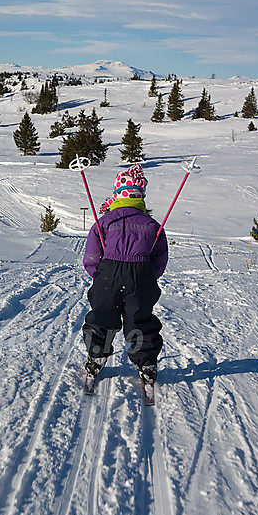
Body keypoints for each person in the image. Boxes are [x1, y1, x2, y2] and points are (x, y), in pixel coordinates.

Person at [82, 164, 168, 386]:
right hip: (141, 277)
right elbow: (159, 259)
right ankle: (146, 363)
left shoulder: (105, 221)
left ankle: (96, 357)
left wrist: (99, 276)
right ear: (141, 197)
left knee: (102, 316)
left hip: (107, 276)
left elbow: (91, 256)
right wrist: (148, 278)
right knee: (139, 319)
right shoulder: (152, 225)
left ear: (116, 195)